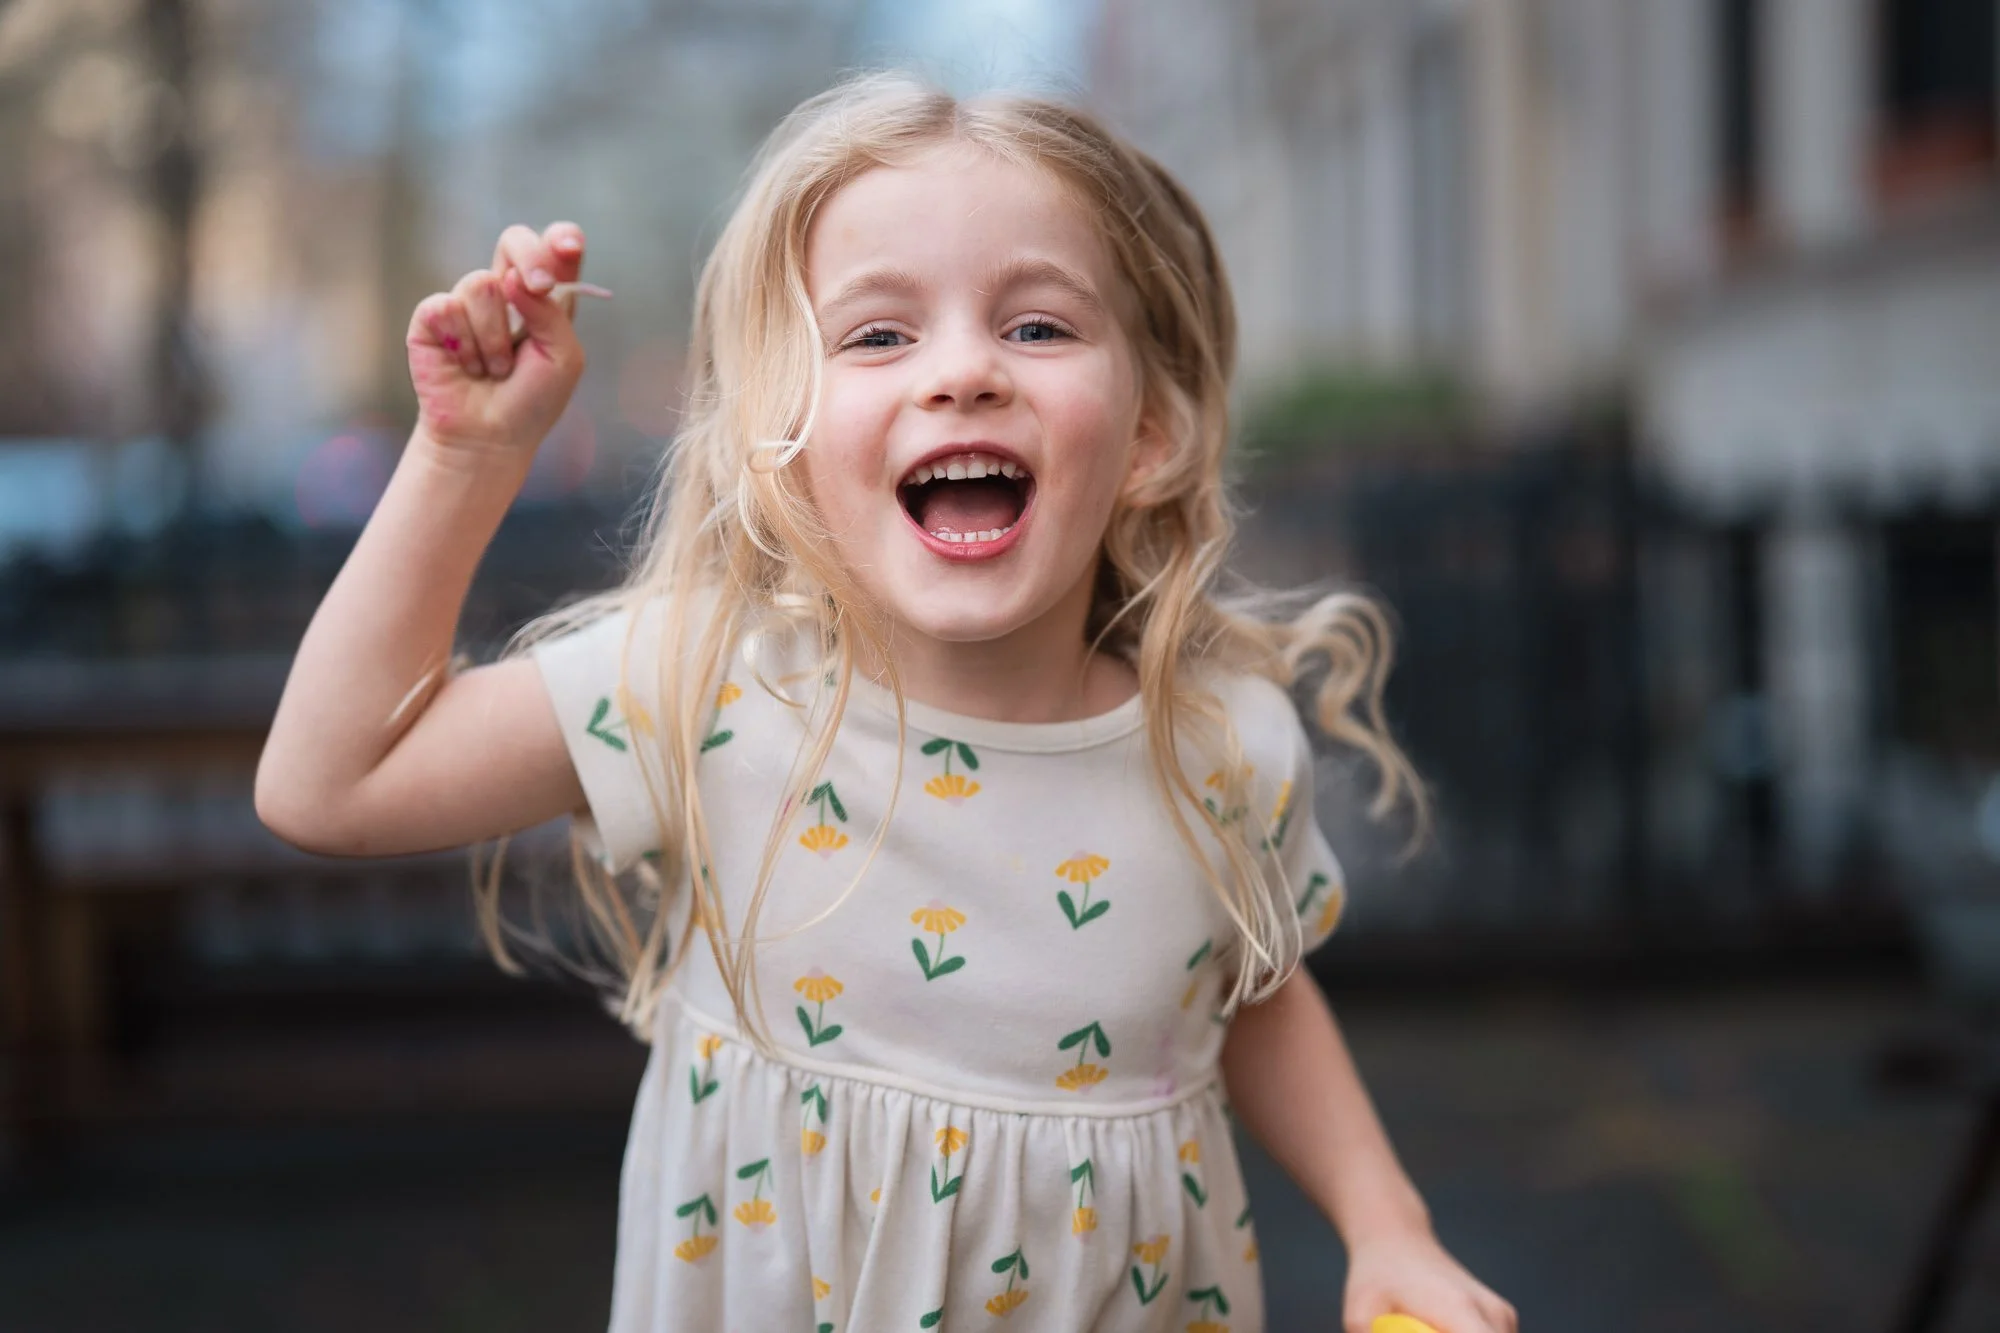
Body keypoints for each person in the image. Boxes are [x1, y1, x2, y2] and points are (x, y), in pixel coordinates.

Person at [255, 72, 1517, 1333]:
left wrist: (1385, 1226)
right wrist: (466, 456)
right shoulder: (705, 691)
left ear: (1149, 436)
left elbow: (1251, 992)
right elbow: (328, 788)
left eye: (1035, 327)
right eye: (876, 335)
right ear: (781, 440)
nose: (961, 370)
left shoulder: (1222, 748)